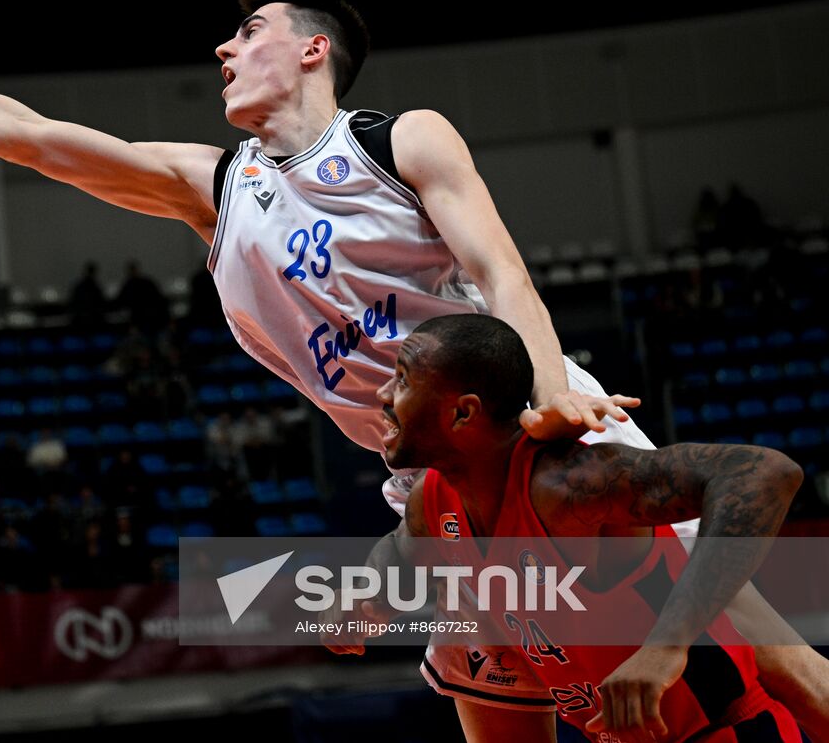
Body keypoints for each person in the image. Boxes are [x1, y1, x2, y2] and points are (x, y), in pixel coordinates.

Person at [0, 0, 829, 724]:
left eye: (248, 30)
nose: (223, 46)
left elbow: (501, 273)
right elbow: (26, 136)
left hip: (528, 426)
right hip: (424, 493)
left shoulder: (395, 137)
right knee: (490, 702)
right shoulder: (212, 188)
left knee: (772, 654)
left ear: (311, 48)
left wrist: (549, 395)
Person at [346, 314, 808, 742]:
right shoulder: (434, 498)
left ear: (463, 413)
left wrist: (665, 648)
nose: (384, 396)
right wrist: (365, 599)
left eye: (402, 380)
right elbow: (401, 548)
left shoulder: (568, 483)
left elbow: (764, 472)